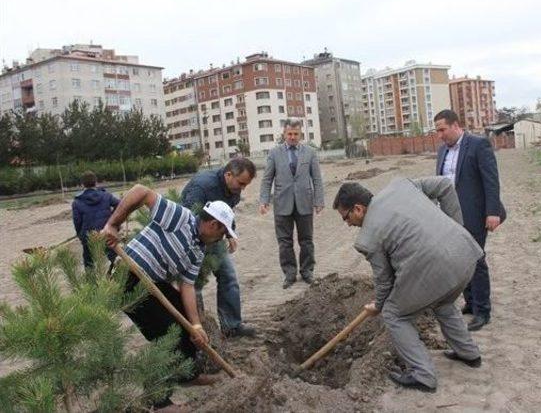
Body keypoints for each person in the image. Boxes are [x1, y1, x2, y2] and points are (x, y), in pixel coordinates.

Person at [333, 178, 483, 392]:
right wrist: (456, 228)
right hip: (465, 255)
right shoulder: (400, 186)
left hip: (437, 269)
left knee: (394, 314)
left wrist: (379, 305)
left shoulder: (367, 239)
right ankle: (469, 353)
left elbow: (384, 280)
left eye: (346, 217)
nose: (347, 223)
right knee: (443, 301)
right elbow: (445, 186)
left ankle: (423, 375)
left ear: (358, 208)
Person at [101, 184, 237, 411]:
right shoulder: (180, 217)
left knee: (185, 318)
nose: (221, 239)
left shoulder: (198, 249)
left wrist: (195, 325)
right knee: (166, 333)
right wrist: (113, 224)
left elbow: (187, 286)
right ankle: (159, 401)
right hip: (127, 279)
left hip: (152, 282)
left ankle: (188, 375)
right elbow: (140, 191)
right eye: (223, 234)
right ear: (213, 225)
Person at [434, 109, 506, 331]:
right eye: (437, 131)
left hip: (475, 214)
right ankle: (471, 302)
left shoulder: (478, 145)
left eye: (442, 130)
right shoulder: (442, 152)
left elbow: (491, 181)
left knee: (475, 259)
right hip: (450, 215)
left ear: (456, 126)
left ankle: (483, 311)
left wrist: (492, 211)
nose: (439, 135)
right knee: (459, 260)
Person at [181, 157, 257, 338]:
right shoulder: (202, 186)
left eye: (245, 185)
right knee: (194, 284)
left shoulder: (233, 188)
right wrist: (196, 247)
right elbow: (187, 217)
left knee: (228, 276)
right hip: (194, 238)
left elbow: (227, 213)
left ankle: (231, 326)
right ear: (228, 174)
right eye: (241, 183)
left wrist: (230, 233)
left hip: (215, 237)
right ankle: (197, 329)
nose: (242, 189)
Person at [259, 119, 324, 289]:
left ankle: (307, 271)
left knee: (307, 240)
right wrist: (264, 200)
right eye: (290, 134)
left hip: (304, 202)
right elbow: (267, 179)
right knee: (284, 242)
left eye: (296, 134)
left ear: (300, 134)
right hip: (282, 204)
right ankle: (289, 273)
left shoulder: (309, 152)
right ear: (284, 134)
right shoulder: (274, 153)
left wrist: (319, 201)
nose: (293, 137)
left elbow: (316, 179)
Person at [72, 171, 120, 269]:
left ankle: (92, 282)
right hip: (106, 233)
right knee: (113, 261)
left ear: (82, 185)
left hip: (89, 237)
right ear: (96, 182)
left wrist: (81, 236)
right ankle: (113, 280)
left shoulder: (77, 202)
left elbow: (77, 222)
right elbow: (120, 205)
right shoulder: (106, 196)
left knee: (89, 264)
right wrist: (114, 223)